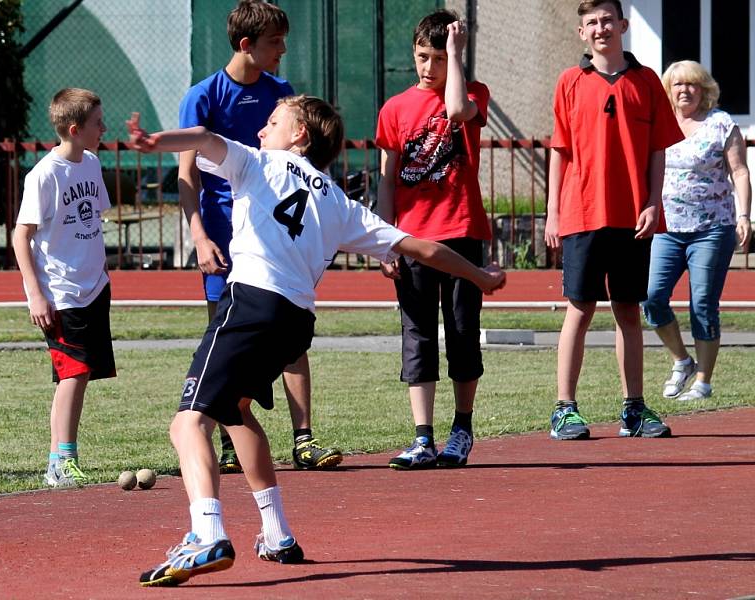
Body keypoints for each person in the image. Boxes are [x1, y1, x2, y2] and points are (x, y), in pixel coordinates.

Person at [127, 96, 505, 586]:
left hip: (252, 303)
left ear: (300, 134)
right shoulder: (340, 201)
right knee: (235, 411)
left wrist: (155, 143)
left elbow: (200, 138)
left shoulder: (257, 162)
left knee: (187, 423)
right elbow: (423, 247)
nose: (262, 130)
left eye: (273, 122)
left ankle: (206, 533)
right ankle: (278, 532)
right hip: (295, 321)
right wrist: (480, 276)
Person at [178, 0, 341, 473]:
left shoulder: (281, 93)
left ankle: (304, 438)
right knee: (224, 336)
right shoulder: (204, 96)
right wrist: (199, 235)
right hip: (224, 235)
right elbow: (188, 173)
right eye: (275, 42)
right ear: (247, 45)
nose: (283, 50)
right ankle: (231, 442)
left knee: (290, 338)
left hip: (274, 236)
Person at [543, 1, 684, 440]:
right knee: (579, 311)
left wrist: (652, 201)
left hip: (632, 216)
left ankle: (634, 410)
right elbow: (559, 151)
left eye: (607, 20)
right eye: (591, 23)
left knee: (628, 311)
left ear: (623, 25)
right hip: (581, 212)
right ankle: (564, 409)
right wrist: (553, 211)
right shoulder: (570, 81)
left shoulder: (646, 83)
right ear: (581, 32)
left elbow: (658, 151)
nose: (601, 28)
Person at [374, 9, 492, 469]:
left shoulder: (472, 92)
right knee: (418, 334)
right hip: (413, 239)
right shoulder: (395, 108)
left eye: (439, 58)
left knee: (461, 332)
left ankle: (462, 428)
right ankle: (422, 436)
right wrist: (384, 239)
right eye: (422, 56)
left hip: (461, 231)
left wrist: (458, 58)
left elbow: (460, 111)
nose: (429, 67)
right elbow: (387, 181)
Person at [11, 88, 116, 487]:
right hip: (61, 293)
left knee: (83, 374)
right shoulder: (44, 175)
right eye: (97, 123)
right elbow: (22, 237)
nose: (103, 128)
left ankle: (62, 456)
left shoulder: (90, 162)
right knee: (72, 373)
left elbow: (91, 222)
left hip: (93, 288)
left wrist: (101, 270)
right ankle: (59, 461)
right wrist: (35, 294)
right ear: (74, 129)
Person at [642, 60, 752, 401]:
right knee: (652, 297)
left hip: (712, 228)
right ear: (668, 90)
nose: (684, 90)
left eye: (692, 85)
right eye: (677, 85)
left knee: (703, 303)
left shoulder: (721, 124)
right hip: (666, 227)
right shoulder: (658, 122)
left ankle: (703, 381)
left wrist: (744, 216)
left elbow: (740, 172)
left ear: (705, 90)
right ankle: (682, 360)